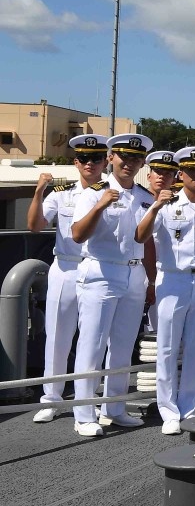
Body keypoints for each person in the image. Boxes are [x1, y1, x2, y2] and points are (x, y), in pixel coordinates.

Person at [136, 146, 195, 435]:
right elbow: (141, 236)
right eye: (191, 171)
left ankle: (188, 407)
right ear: (181, 174)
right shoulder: (166, 205)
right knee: (167, 347)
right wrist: (155, 206)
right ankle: (168, 410)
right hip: (172, 280)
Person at [68, 133, 155, 437]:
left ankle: (114, 407)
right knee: (91, 343)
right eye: (123, 157)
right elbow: (78, 234)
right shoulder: (94, 192)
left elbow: (145, 239)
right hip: (101, 271)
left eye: (135, 158)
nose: (129, 163)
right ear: (111, 159)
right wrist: (100, 206)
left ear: (141, 161)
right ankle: (83, 413)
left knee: (122, 345)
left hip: (133, 274)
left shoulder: (146, 197)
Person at [27, 135, 108, 423]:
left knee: (93, 339)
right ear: (76, 163)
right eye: (84, 158)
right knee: (58, 336)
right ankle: (51, 398)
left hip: (99, 269)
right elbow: (35, 226)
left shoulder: (112, 192)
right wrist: (39, 192)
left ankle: (88, 397)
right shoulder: (61, 194)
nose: (90, 163)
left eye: (96, 158)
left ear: (105, 161)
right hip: (66, 267)